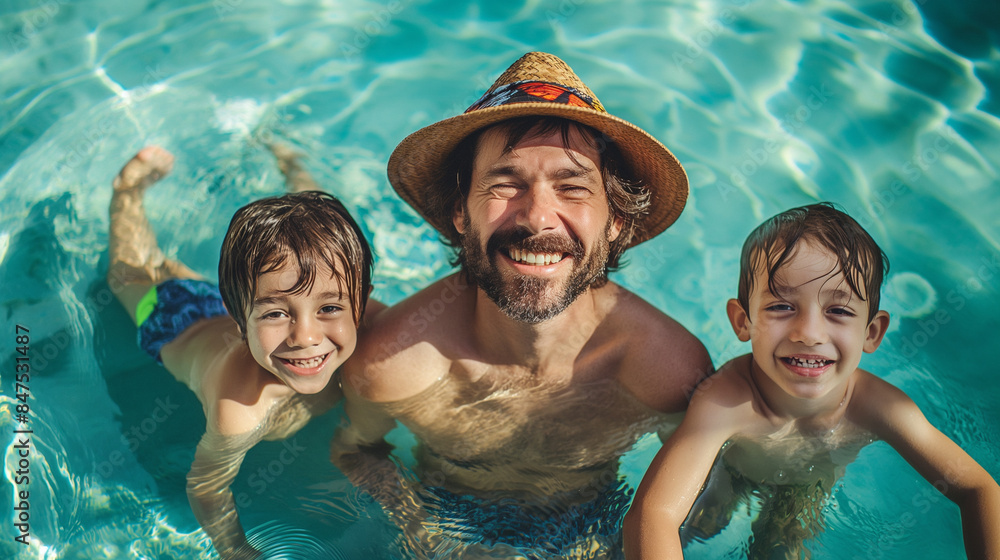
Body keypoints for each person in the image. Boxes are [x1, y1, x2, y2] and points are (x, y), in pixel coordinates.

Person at [332, 52, 712, 558]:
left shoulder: (665, 370)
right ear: (461, 214)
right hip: (444, 519)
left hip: (596, 527)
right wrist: (421, 533)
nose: (537, 218)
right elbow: (357, 451)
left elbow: (705, 489)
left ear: (616, 221)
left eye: (572, 187)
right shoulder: (391, 366)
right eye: (505, 184)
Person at [623, 203, 1000, 559]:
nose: (809, 332)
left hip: (805, 488)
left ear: (872, 332)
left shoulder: (879, 407)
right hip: (729, 474)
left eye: (838, 310)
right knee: (700, 524)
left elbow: (977, 489)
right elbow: (654, 515)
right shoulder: (725, 402)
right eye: (781, 307)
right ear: (743, 322)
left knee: (781, 548)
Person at [107, 145, 374, 559]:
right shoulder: (239, 413)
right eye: (278, 316)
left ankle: (294, 163)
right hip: (169, 320)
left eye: (329, 308)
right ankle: (127, 191)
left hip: (236, 303)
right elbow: (205, 485)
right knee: (128, 273)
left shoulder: (358, 333)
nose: (305, 336)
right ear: (240, 322)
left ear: (362, 304)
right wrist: (234, 549)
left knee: (313, 242)